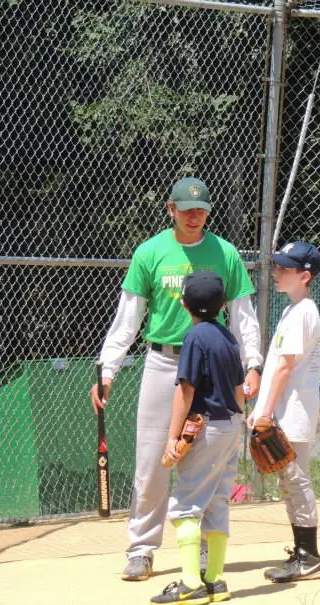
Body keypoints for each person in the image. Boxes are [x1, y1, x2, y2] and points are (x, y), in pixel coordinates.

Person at [90, 177, 263, 581]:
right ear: (170, 208)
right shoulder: (150, 252)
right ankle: (142, 549)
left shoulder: (226, 253)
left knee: (213, 464)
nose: (194, 215)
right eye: (186, 208)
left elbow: (243, 315)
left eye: (200, 209)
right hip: (164, 362)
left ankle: (204, 554)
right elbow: (127, 318)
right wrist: (108, 370)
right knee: (152, 461)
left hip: (213, 366)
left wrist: (253, 362)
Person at [150, 271, 245, 605]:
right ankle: (215, 580)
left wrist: (172, 437)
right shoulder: (229, 338)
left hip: (204, 427)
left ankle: (190, 584)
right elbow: (239, 391)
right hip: (232, 424)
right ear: (221, 306)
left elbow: (186, 389)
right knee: (218, 502)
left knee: (187, 505)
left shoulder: (195, 338)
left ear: (185, 303)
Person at [249, 240, 320, 583]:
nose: (277, 272)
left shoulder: (305, 312)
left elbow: (284, 368)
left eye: (285, 268)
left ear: (305, 275)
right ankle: (301, 553)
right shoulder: (291, 310)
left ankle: (310, 556)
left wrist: (264, 413)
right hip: (283, 411)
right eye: (277, 266)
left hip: (292, 413)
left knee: (296, 480)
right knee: (287, 482)